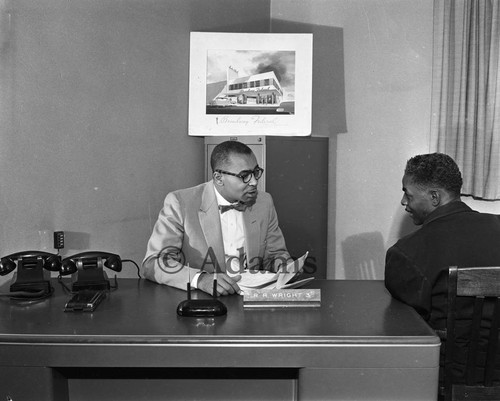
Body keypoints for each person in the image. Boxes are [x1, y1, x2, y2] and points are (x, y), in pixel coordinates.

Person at [385, 152, 500, 389]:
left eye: (407, 193)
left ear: (435, 197)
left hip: (448, 379)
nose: (403, 202)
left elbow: (406, 327)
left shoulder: (405, 252)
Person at [142, 140, 290, 296]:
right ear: (219, 178)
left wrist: (285, 267)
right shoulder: (180, 203)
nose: (254, 181)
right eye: (245, 175)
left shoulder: (264, 202)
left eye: (256, 172)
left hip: (248, 300)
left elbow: (275, 255)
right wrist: (200, 279)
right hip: (200, 302)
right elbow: (153, 263)